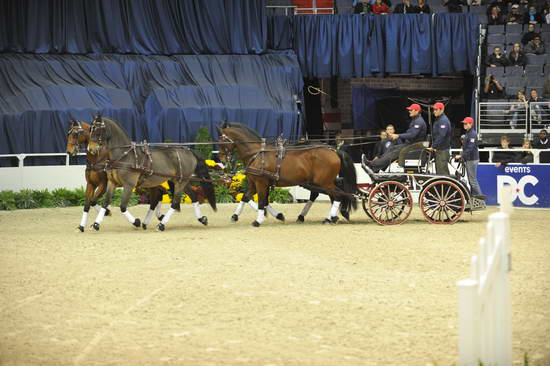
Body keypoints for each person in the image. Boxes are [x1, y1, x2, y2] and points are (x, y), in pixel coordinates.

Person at [362, 103, 427, 172]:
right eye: (409, 110)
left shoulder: (419, 121)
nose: (409, 111)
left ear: (416, 111)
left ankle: (372, 165)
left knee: (394, 152)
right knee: (391, 149)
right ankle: (378, 167)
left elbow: (412, 135)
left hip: (414, 146)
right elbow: (410, 134)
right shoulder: (415, 120)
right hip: (410, 144)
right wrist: (398, 135)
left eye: (411, 110)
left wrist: (398, 135)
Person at [454, 117, 484, 199]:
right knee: (472, 181)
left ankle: (480, 199)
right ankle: (474, 199)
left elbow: (470, 148)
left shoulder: (472, 134)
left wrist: (461, 155)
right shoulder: (469, 133)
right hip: (470, 159)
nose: (464, 125)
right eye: (464, 123)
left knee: (473, 181)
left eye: (466, 123)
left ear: (471, 124)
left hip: (472, 159)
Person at [427, 102, 451, 175]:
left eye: (436, 109)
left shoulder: (443, 120)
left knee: (442, 173)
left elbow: (441, 136)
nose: (434, 111)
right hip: (440, 150)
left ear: (442, 110)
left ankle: (446, 186)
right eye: (434, 109)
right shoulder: (439, 119)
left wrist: (433, 146)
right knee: (440, 173)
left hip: (442, 151)